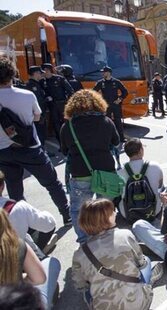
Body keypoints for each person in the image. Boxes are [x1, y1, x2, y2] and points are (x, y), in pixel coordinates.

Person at [0, 59, 71, 225]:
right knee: (52, 183)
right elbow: (36, 116)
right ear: (12, 74)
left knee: (14, 187)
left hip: (3, 151)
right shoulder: (26, 94)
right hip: (30, 147)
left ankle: (23, 223)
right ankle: (66, 214)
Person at [72, 199, 159, 310]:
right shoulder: (125, 235)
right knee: (146, 260)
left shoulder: (80, 253)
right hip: (138, 304)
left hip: (103, 306)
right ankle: (149, 282)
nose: (115, 213)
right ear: (105, 218)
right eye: (112, 211)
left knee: (88, 292)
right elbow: (141, 263)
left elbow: (80, 285)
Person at [60, 89, 119, 243]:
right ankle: (105, 239)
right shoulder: (106, 122)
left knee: (78, 210)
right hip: (105, 171)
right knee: (105, 208)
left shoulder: (68, 126)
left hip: (80, 173)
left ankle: (85, 241)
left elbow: (65, 150)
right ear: (98, 104)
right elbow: (116, 142)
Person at [0, 209, 61, 309]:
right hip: (22, 303)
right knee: (51, 263)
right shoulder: (16, 244)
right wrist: (18, 277)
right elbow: (39, 279)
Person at [0, 170, 57, 256]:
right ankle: (37, 255)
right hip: (15, 259)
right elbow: (49, 224)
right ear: (2, 186)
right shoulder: (18, 208)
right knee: (42, 223)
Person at [118, 138, 164, 216]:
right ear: (140, 151)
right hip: (153, 210)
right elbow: (160, 186)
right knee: (163, 188)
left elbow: (118, 192)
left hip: (128, 213)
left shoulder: (120, 171)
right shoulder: (155, 166)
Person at [41, 63, 74, 147]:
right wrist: (46, 97)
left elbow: (70, 91)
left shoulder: (59, 79)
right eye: (44, 71)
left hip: (62, 103)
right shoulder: (42, 82)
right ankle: (61, 144)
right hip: (52, 105)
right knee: (56, 125)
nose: (45, 72)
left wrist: (70, 104)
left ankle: (70, 141)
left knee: (66, 122)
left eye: (47, 70)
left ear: (51, 71)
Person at [93, 66, 128, 142]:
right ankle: (108, 138)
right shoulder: (100, 82)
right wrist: (99, 100)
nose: (103, 73)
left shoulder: (116, 82)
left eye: (104, 72)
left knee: (118, 121)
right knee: (107, 122)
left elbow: (125, 92)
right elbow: (93, 92)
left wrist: (120, 99)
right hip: (106, 105)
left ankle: (121, 138)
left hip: (116, 105)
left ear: (108, 73)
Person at [24, 66, 48, 149]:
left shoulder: (37, 84)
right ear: (35, 73)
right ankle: (42, 149)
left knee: (41, 132)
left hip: (39, 114)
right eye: (40, 73)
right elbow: (38, 101)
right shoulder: (31, 85)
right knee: (39, 132)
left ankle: (42, 148)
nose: (41, 74)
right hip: (37, 115)